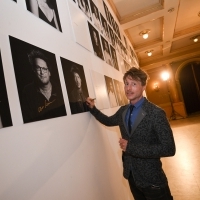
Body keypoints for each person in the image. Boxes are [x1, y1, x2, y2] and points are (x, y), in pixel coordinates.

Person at [86, 67, 175, 200]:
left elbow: (169, 149)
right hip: (132, 176)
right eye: (127, 84)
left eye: (134, 84)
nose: (129, 88)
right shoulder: (123, 110)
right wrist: (93, 109)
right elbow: (109, 121)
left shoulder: (156, 113)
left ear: (144, 86)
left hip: (152, 180)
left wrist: (131, 147)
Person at [22, 49, 66, 123]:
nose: (42, 72)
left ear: (49, 72)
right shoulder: (27, 92)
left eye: (44, 69)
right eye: (38, 68)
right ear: (34, 71)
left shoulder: (60, 89)